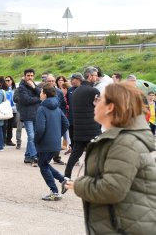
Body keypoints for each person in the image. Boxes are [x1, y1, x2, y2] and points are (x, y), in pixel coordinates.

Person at [65, 82, 156, 234]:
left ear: (110, 107)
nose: (95, 103)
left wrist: (80, 184)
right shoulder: (119, 138)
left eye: (98, 99)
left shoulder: (125, 142)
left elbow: (112, 189)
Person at [63, 67, 101, 182]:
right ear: (89, 76)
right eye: (95, 75)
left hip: (78, 128)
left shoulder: (75, 91)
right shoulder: (94, 91)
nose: (97, 77)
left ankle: (67, 176)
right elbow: (100, 109)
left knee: (75, 154)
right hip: (92, 129)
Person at [35, 85, 69, 201]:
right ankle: (63, 179)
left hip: (45, 143)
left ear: (44, 94)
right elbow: (66, 124)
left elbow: (40, 129)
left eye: (41, 92)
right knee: (44, 163)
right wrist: (57, 135)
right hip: (54, 142)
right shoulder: (57, 108)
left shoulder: (42, 108)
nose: (40, 94)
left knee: (43, 166)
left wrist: (36, 140)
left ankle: (54, 191)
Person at [17, 69, 41, 167]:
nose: (30, 77)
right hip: (27, 115)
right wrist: (39, 99)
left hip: (36, 114)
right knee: (31, 136)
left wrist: (34, 87)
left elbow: (40, 93)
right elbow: (26, 100)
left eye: (31, 75)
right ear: (24, 76)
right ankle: (34, 156)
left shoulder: (34, 85)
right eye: (28, 75)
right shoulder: (21, 87)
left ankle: (27, 156)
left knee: (33, 136)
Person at [3, 76, 17, 146]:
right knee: (4, 125)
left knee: (10, 126)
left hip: (13, 109)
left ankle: (9, 140)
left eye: (8, 80)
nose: (7, 82)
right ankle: (3, 139)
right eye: (6, 80)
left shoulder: (15, 89)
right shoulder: (3, 89)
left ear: (12, 81)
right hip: (5, 109)